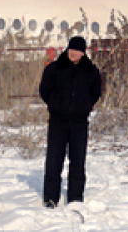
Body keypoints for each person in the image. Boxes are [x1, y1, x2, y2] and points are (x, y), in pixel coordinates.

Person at [39, 36, 102, 207]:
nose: (73, 53)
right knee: (54, 160)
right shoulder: (54, 69)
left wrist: (85, 107)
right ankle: (51, 198)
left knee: (78, 160)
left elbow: (95, 93)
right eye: (71, 50)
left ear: (83, 53)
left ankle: (75, 198)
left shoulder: (91, 71)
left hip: (79, 122)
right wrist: (54, 104)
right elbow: (44, 90)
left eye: (77, 51)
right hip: (57, 121)